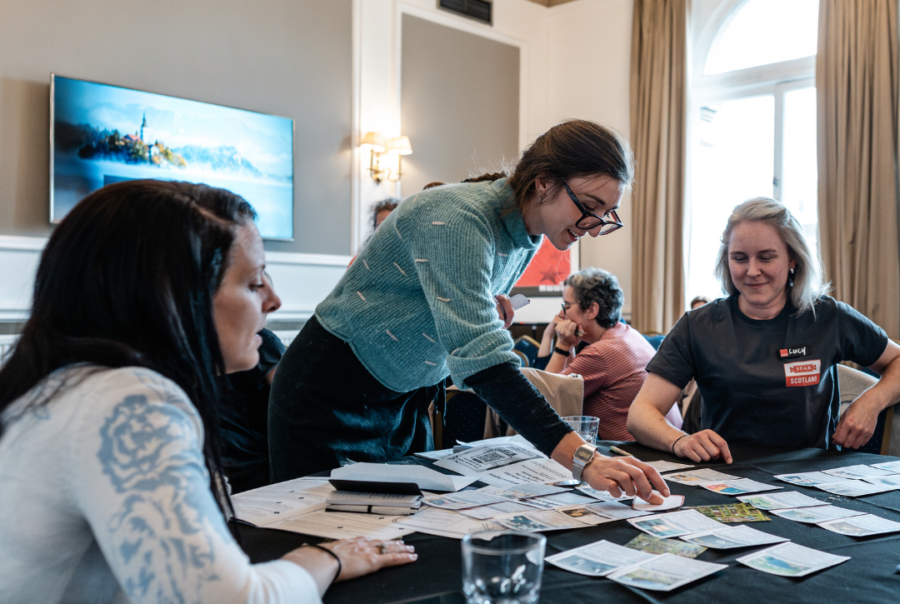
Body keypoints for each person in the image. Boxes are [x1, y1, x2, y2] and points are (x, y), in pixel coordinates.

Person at [0, 180, 416, 603]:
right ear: (175, 296)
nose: (274, 299)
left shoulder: (61, 386)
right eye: (255, 283)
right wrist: (327, 558)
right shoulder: (128, 403)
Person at [270, 120, 670, 501]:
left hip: (404, 399)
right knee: (318, 534)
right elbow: (486, 364)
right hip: (330, 393)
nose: (594, 223)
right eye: (588, 205)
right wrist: (584, 460)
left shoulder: (525, 234)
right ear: (544, 181)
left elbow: (448, 318)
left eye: (605, 213)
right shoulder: (459, 218)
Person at [626, 197, 900, 463]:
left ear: (793, 258)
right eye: (740, 258)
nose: (752, 271)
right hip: (725, 473)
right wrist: (680, 440)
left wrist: (871, 402)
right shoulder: (697, 326)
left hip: (810, 474)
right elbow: (641, 414)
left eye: (766, 258)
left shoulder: (828, 317)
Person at [536, 268, 682, 441]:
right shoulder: (628, 333)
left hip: (638, 455)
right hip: (665, 443)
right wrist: (570, 345)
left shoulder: (601, 354)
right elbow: (569, 383)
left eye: (566, 306)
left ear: (591, 310)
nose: (562, 314)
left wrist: (562, 345)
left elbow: (542, 400)